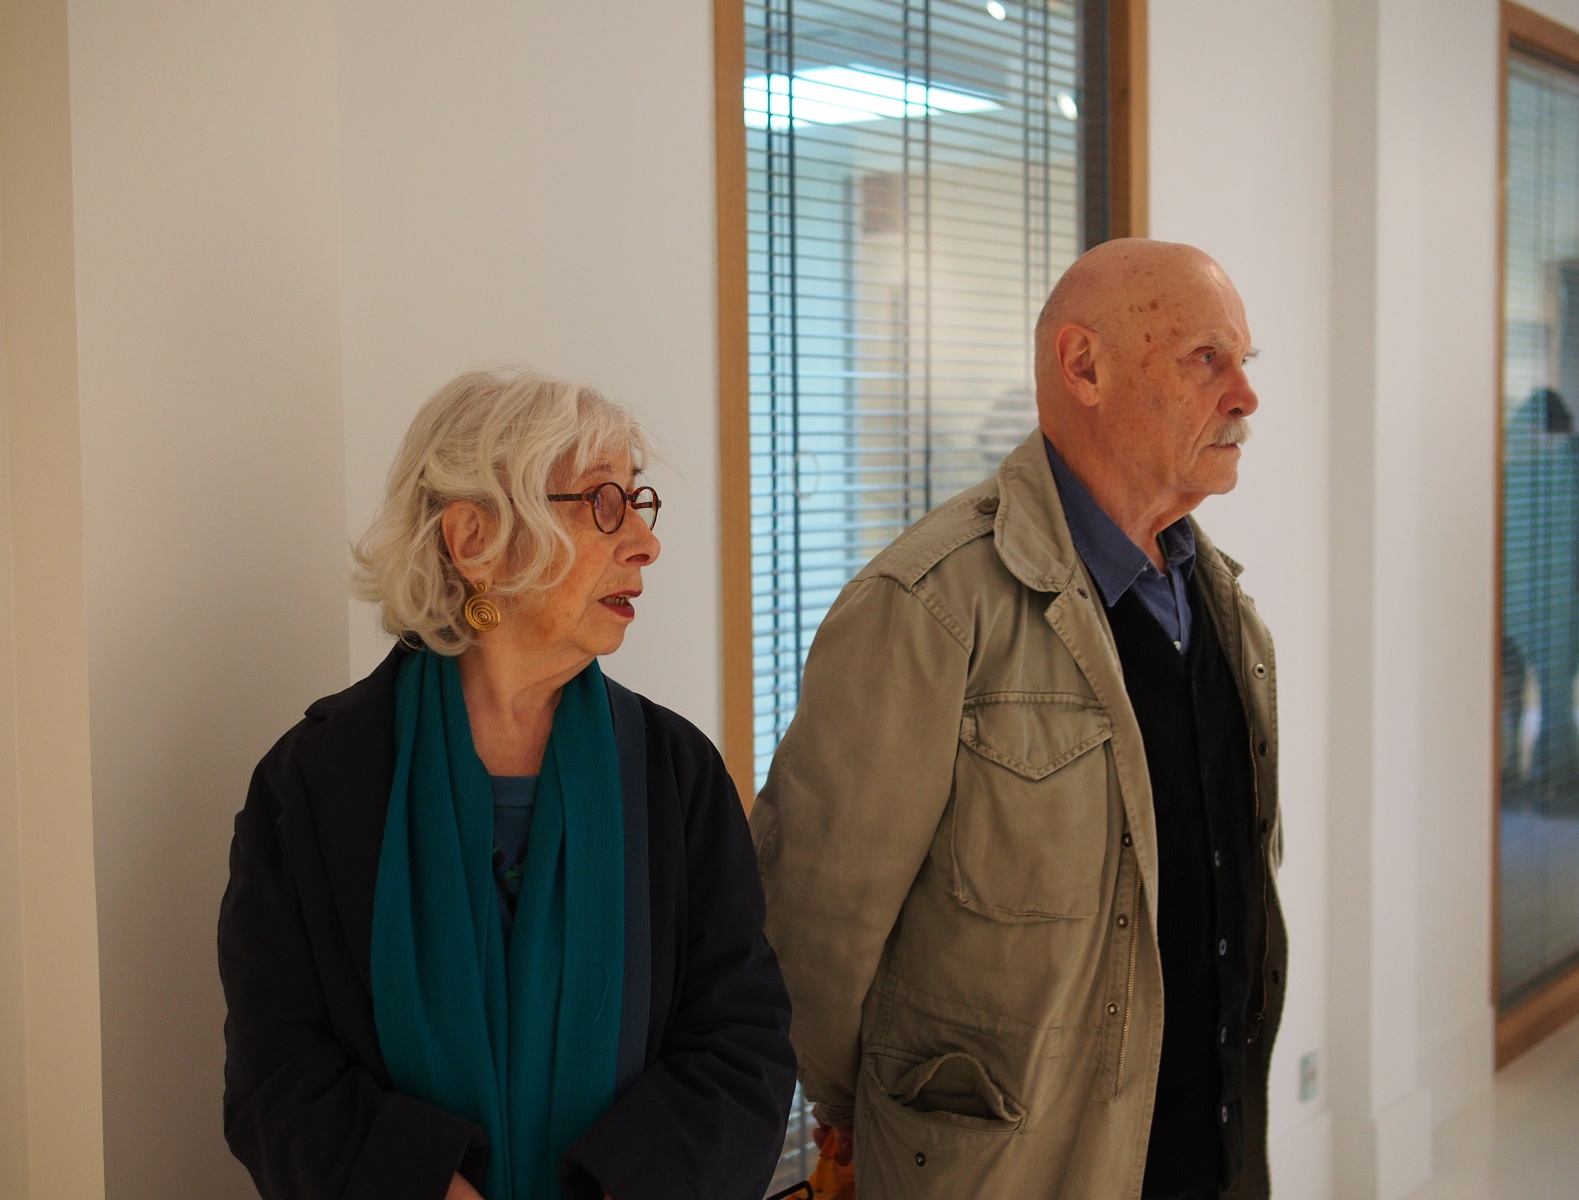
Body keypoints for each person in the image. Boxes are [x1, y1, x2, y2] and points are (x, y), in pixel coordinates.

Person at [752, 239, 1286, 1200]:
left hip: (1210, 1156)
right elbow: (812, 926)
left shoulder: (1223, 605)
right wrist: (868, 1113)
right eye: (1206, 358)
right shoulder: (929, 606)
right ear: (1083, 367)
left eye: (1244, 361)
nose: (1245, 395)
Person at [220, 367, 795, 1200]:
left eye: (638, 502)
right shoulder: (311, 784)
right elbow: (277, 1076)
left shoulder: (677, 775)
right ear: (474, 540)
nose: (645, 542)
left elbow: (744, 1046)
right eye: (603, 503)